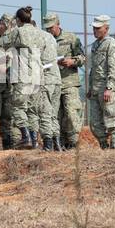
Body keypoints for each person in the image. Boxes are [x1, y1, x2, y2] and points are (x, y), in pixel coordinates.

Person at [1, 6, 46, 149]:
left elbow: (3, 43)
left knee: (18, 107)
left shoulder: (18, 32)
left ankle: (25, 137)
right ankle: (33, 141)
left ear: (19, 20)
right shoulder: (40, 33)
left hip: (23, 75)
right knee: (33, 110)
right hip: (38, 75)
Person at [45, 13, 85, 149]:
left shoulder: (71, 38)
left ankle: (73, 143)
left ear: (58, 24)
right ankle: (60, 145)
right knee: (56, 115)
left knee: (71, 112)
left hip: (69, 83)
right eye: (47, 28)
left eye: (51, 27)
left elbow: (82, 57)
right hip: (52, 83)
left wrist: (72, 61)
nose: (49, 30)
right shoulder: (45, 40)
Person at [87, 14, 115, 150]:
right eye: (94, 28)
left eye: (98, 28)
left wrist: (109, 88)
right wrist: (91, 87)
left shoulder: (111, 44)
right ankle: (104, 147)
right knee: (95, 124)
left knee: (111, 121)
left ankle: (114, 149)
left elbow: (114, 68)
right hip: (96, 89)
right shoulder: (95, 45)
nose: (94, 31)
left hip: (107, 90)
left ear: (106, 28)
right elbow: (94, 69)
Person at [37, 16, 61, 151]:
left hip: (46, 80)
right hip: (56, 80)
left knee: (45, 113)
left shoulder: (40, 38)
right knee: (53, 114)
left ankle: (48, 145)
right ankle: (57, 143)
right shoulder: (52, 38)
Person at [0, 14, 15, 149]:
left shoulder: (12, 39)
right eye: (5, 26)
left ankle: (8, 144)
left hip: (9, 83)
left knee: (8, 115)